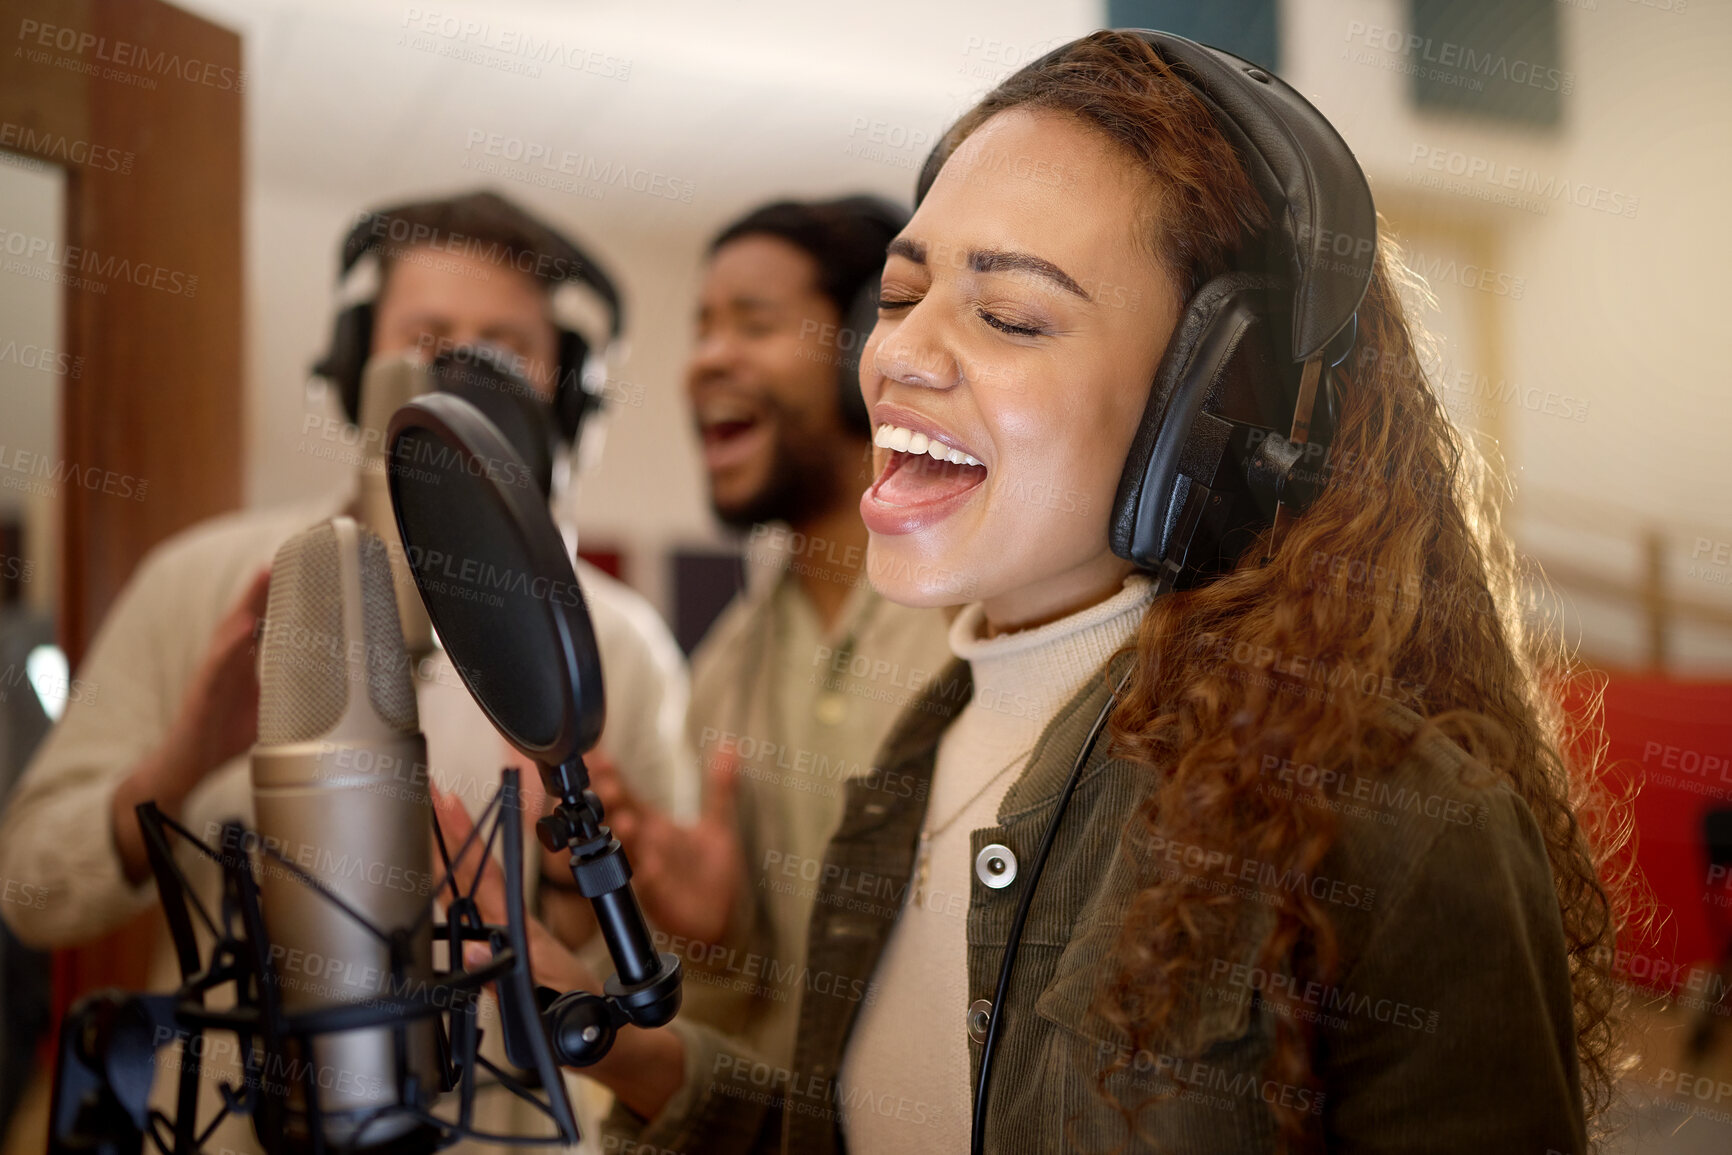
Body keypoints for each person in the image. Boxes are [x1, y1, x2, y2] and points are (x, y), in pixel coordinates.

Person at [462, 31, 1626, 1154]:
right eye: (904, 294)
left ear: (1216, 405)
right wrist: (606, 1033)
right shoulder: (919, 759)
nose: (897, 355)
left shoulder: (1398, 822)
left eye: (1010, 315)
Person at [0, 190, 694, 1153]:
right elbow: (33, 892)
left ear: (561, 389)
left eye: (500, 343)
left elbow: (663, 985)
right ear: (353, 361)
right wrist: (180, 758)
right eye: (427, 332)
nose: (459, 364)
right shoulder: (203, 581)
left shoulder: (617, 641)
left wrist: (564, 863)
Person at [574, 196, 957, 1076]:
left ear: (872, 342)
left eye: (753, 323)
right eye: (702, 328)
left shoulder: (983, 618)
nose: (706, 361)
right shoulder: (723, 671)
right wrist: (710, 938)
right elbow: (749, 1024)